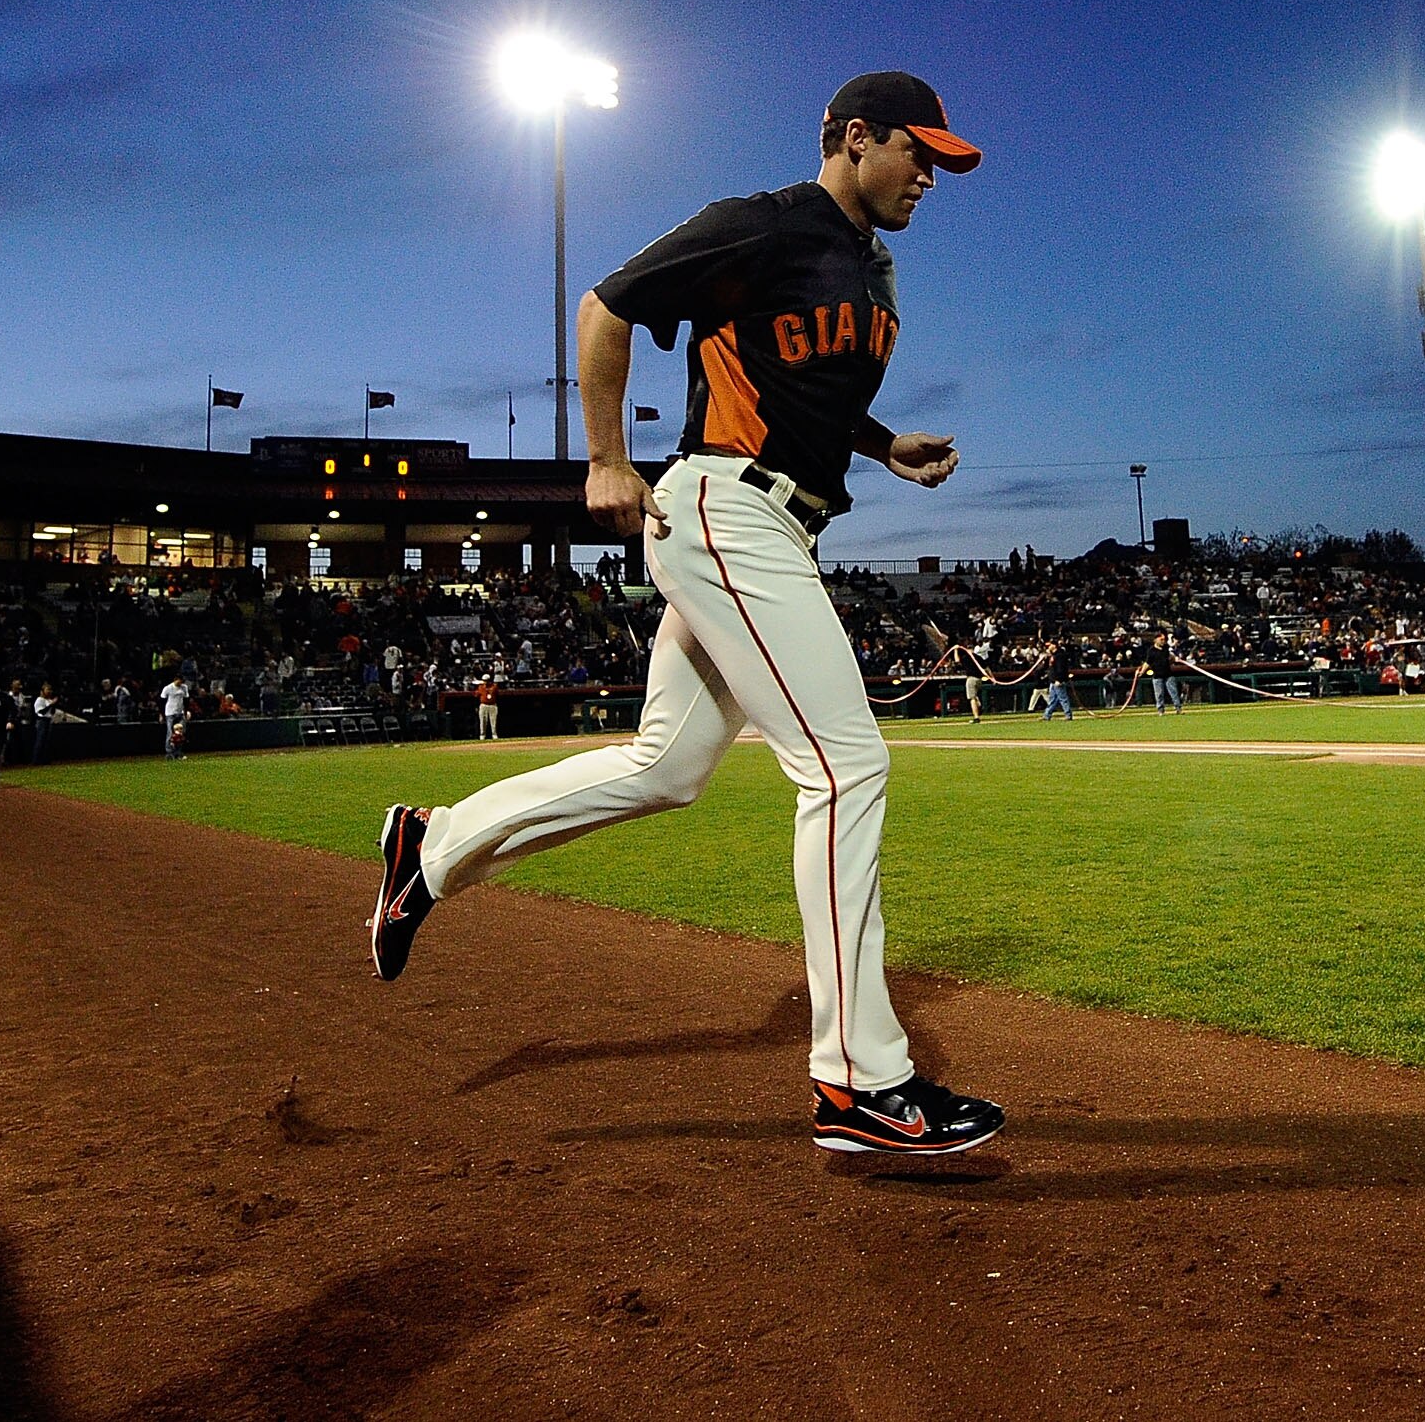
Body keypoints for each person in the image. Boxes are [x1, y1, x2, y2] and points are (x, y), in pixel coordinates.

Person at [371, 70, 1003, 1157]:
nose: (929, 178)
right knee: (847, 766)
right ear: (855, 138)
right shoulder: (762, 223)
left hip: (778, 523)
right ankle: (858, 1080)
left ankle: (431, 847)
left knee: (668, 766)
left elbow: (809, 389)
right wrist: (606, 458)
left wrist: (881, 442)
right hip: (724, 508)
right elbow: (605, 305)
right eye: (918, 154)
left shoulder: (871, 267)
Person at [161, 670, 193, 758]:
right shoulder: (168, 688)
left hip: (180, 712)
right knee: (170, 733)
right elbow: (162, 701)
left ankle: (178, 752)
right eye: (179, 681)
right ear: (175, 680)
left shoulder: (184, 687)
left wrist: (186, 712)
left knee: (181, 733)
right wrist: (161, 714)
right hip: (170, 712)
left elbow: (186, 700)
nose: (181, 683)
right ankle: (169, 752)